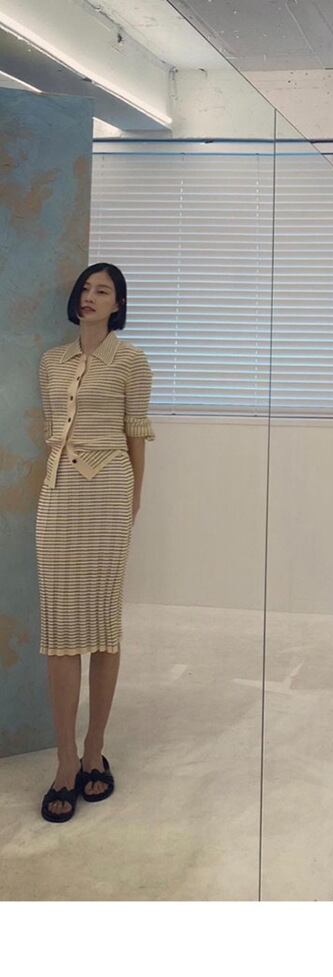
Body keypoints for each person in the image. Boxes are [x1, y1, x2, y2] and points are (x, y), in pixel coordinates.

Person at [36, 262, 155, 822]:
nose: (90, 296)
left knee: (104, 622)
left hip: (108, 494)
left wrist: (132, 503)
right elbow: (52, 432)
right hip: (58, 495)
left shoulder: (132, 362)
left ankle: (93, 750)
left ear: (117, 304)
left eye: (102, 290)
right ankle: (64, 758)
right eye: (85, 288)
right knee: (61, 628)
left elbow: (136, 437)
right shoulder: (51, 362)